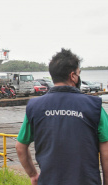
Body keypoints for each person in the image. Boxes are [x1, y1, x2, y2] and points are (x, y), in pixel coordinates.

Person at [16, 48, 108, 185]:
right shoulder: (95, 106)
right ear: (73, 76)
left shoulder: (34, 107)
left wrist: (33, 175)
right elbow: (106, 152)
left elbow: (20, 147)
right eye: (78, 73)